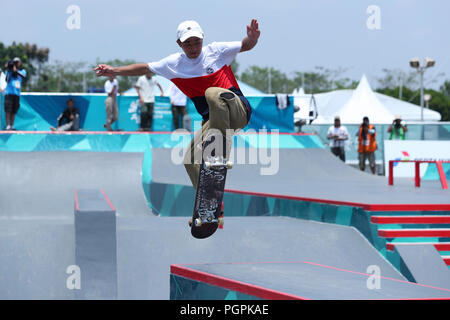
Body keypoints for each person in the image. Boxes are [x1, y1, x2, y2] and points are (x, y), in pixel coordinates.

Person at [94, 18, 260, 217]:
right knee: (190, 159)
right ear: (179, 44)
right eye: (187, 43)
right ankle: (211, 204)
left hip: (238, 109)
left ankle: (219, 153)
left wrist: (252, 38)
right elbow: (145, 68)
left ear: (202, 40)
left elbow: (246, 45)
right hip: (215, 120)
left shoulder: (215, 51)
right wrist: (114, 71)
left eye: (196, 42)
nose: (193, 47)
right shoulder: (173, 64)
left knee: (213, 94)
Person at [3, 57, 27, 130]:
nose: (16, 64)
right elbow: (7, 80)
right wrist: (9, 69)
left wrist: (15, 70)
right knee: (8, 110)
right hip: (9, 93)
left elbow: (23, 76)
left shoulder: (22, 71)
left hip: (17, 94)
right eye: (15, 62)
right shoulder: (8, 72)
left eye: (17, 62)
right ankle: (8, 126)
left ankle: (12, 125)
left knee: (14, 110)